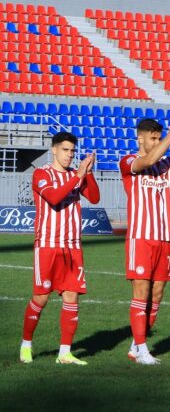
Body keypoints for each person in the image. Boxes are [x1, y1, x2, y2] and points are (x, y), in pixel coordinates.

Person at [120, 115, 170, 365]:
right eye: (152, 138)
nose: (155, 142)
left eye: (158, 138)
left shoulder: (165, 163)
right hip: (141, 237)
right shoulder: (129, 161)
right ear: (139, 138)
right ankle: (143, 350)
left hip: (163, 238)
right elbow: (148, 160)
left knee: (157, 294)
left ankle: (136, 346)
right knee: (141, 292)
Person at [19, 132, 99, 365]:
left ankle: (64, 352)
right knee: (41, 297)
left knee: (72, 297)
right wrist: (79, 176)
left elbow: (94, 197)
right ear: (54, 149)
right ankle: (26, 344)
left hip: (72, 247)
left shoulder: (76, 174)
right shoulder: (42, 173)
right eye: (65, 150)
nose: (69, 155)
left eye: (72, 151)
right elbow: (54, 197)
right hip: (48, 245)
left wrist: (88, 172)